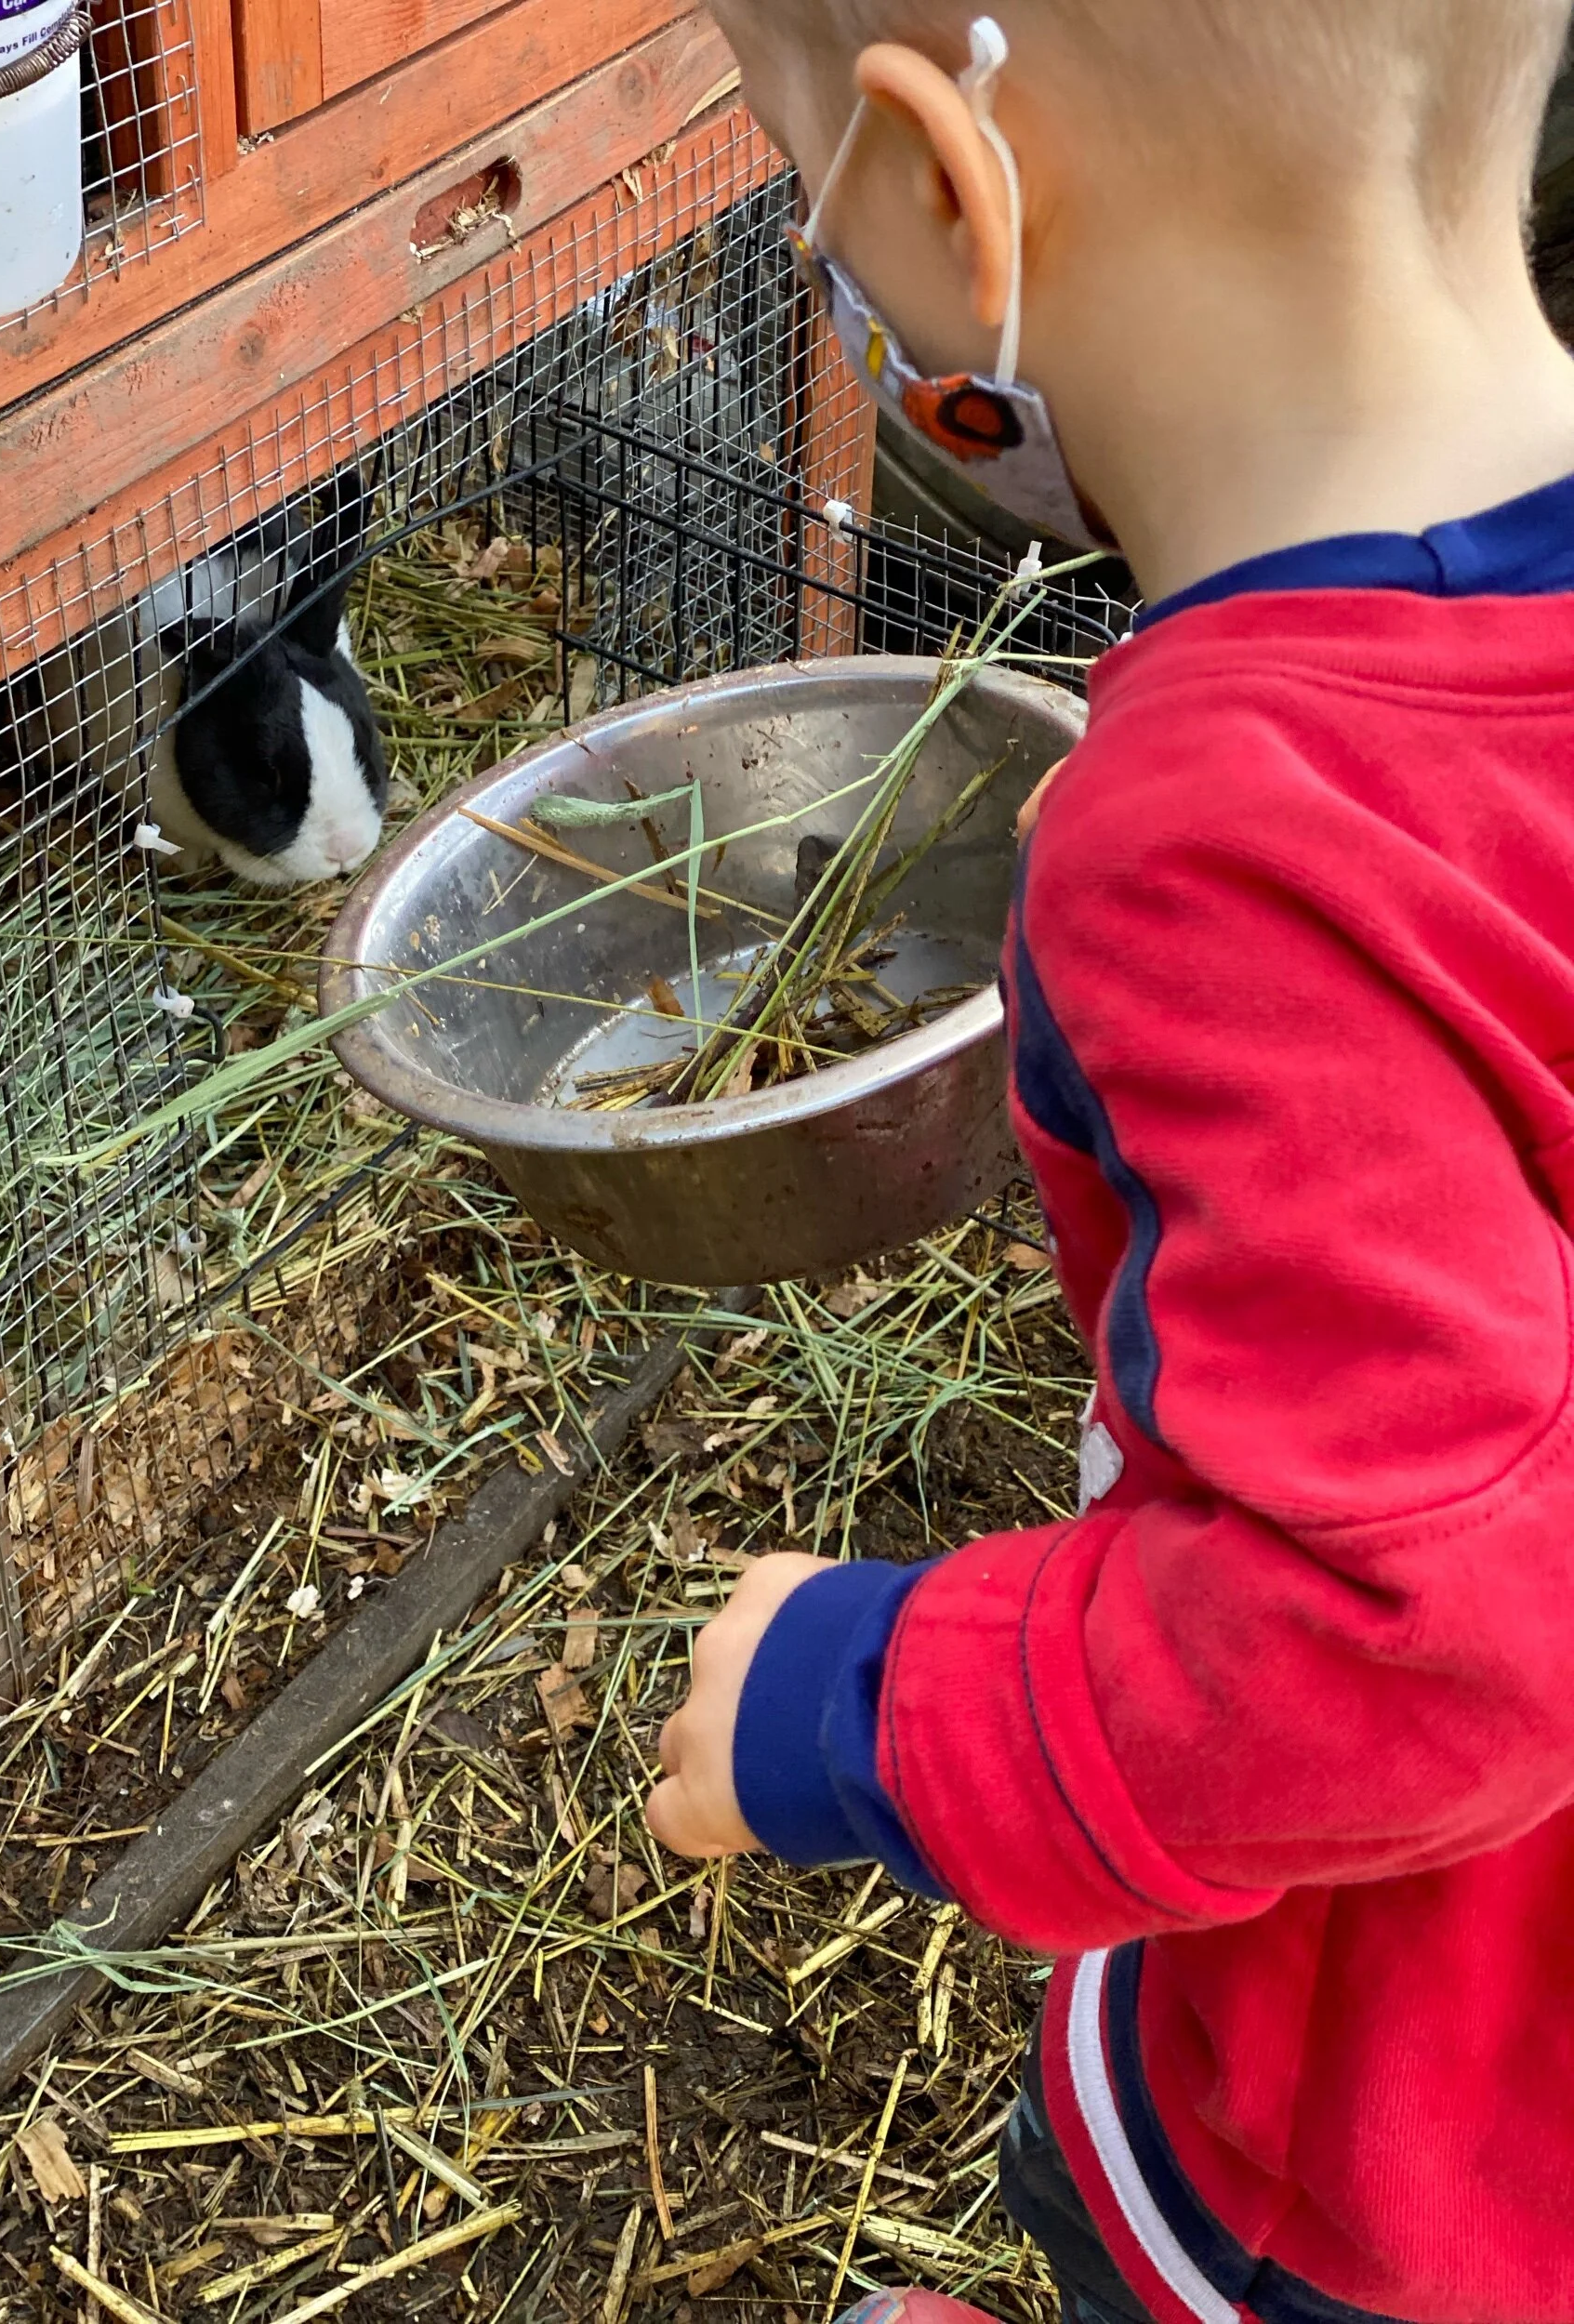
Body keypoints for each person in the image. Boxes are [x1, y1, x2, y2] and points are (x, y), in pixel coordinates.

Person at [642, 6, 1574, 2322]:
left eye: (798, 177)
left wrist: (861, 1700)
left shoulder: (1222, 844)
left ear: (951, 196)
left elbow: (1421, 1629)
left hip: (1407, 2127)